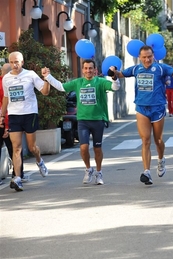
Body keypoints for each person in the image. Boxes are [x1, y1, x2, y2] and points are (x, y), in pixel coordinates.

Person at [111, 45, 173, 185]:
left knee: (158, 140)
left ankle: (161, 159)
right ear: (139, 57)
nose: (147, 59)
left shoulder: (160, 68)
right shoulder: (135, 69)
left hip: (157, 109)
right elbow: (121, 74)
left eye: (149, 57)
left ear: (154, 56)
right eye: (144, 57)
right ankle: (146, 172)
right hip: (141, 108)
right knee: (146, 140)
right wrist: (113, 72)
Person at [43, 59, 120, 185]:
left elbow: (114, 87)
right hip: (83, 120)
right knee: (83, 148)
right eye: (86, 68)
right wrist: (48, 76)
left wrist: (114, 77)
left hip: (98, 120)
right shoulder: (78, 82)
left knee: (97, 149)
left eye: (91, 68)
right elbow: (61, 87)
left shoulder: (100, 82)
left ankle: (99, 172)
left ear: (95, 70)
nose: (88, 70)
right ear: (83, 70)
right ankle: (88, 169)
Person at [0, 51, 50, 192]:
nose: (14, 65)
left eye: (17, 62)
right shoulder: (6, 79)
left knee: (32, 147)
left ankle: (39, 161)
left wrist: (47, 78)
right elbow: (5, 98)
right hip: (14, 115)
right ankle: (17, 178)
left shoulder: (31, 75)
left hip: (29, 114)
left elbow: (45, 91)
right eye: (12, 62)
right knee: (16, 148)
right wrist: (2, 116)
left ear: (22, 62)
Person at [0, 63, 27, 185]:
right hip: (8, 120)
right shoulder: (9, 83)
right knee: (16, 148)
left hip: (5, 119)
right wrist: (6, 125)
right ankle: (18, 174)